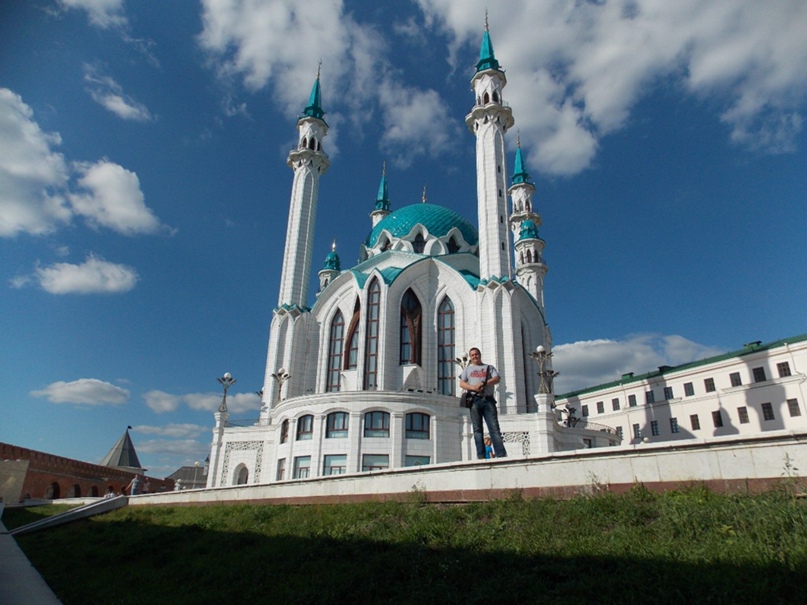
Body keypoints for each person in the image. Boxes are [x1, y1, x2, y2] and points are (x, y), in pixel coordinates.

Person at [459, 347, 507, 459]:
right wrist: (473, 387)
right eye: (472, 355)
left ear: (480, 355)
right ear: (470, 357)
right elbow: (461, 383)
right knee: (477, 429)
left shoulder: (489, 367)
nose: (474, 356)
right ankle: (480, 455)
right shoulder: (467, 370)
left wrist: (483, 383)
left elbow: (497, 379)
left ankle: (500, 454)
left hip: (488, 400)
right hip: (474, 400)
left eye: (476, 354)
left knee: (494, 428)